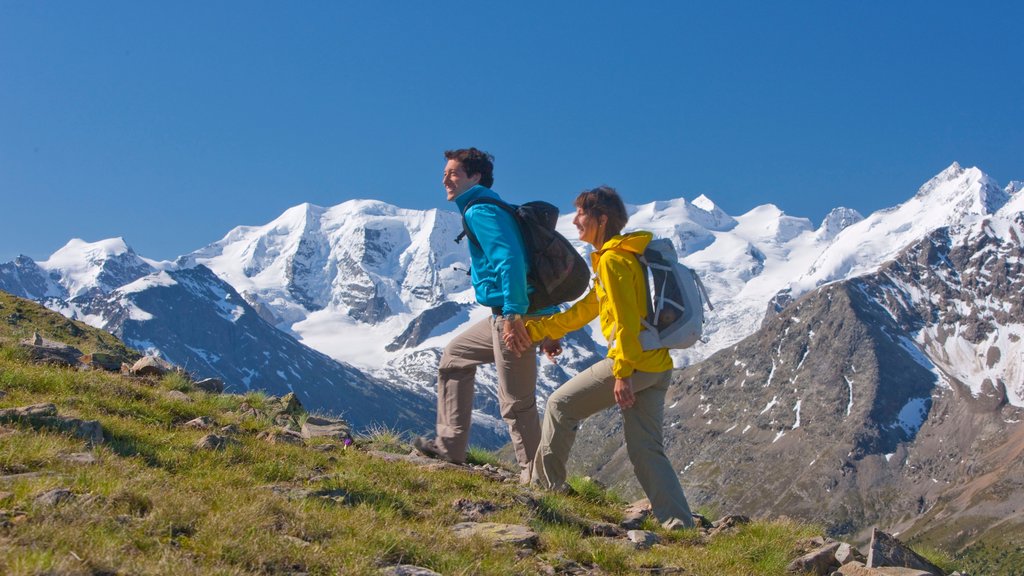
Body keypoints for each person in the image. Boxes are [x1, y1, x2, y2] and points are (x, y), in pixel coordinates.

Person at [506, 185, 695, 529]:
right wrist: (538, 331)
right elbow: (584, 311)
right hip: (656, 366)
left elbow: (624, 321)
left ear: (601, 219)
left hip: (632, 363)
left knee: (560, 405)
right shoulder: (623, 257)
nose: (575, 220)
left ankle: (543, 496)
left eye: (581, 213)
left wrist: (621, 373)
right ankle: (679, 524)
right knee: (645, 449)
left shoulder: (613, 260)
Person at [414, 147, 558, 484]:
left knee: (516, 401)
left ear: (475, 177)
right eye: (445, 173)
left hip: (512, 315)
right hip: (519, 312)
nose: (445, 179)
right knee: (455, 356)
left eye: (453, 173)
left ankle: (539, 477)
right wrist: (547, 323)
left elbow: (510, 261)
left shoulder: (481, 211)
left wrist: (513, 316)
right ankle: (449, 448)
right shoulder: (489, 208)